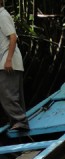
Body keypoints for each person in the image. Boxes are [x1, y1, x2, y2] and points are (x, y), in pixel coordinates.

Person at [0, 0, 29, 131]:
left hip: (8, 61)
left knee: (7, 94)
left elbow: (13, 37)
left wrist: (8, 59)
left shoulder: (2, 15)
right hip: (8, 60)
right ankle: (18, 122)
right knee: (13, 95)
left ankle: (21, 121)